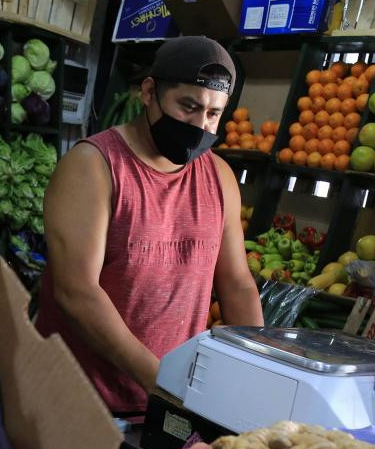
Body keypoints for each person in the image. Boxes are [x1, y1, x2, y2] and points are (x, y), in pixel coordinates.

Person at [36, 36, 263, 416]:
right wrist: (162, 382)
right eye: (188, 106)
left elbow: (237, 284)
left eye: (213, 114)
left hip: (163, 403)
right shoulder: (93, 167)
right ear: (149, 92)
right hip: (77, 401)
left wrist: (256, 371)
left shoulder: (219, 178)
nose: (199, 124)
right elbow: (76, 291)